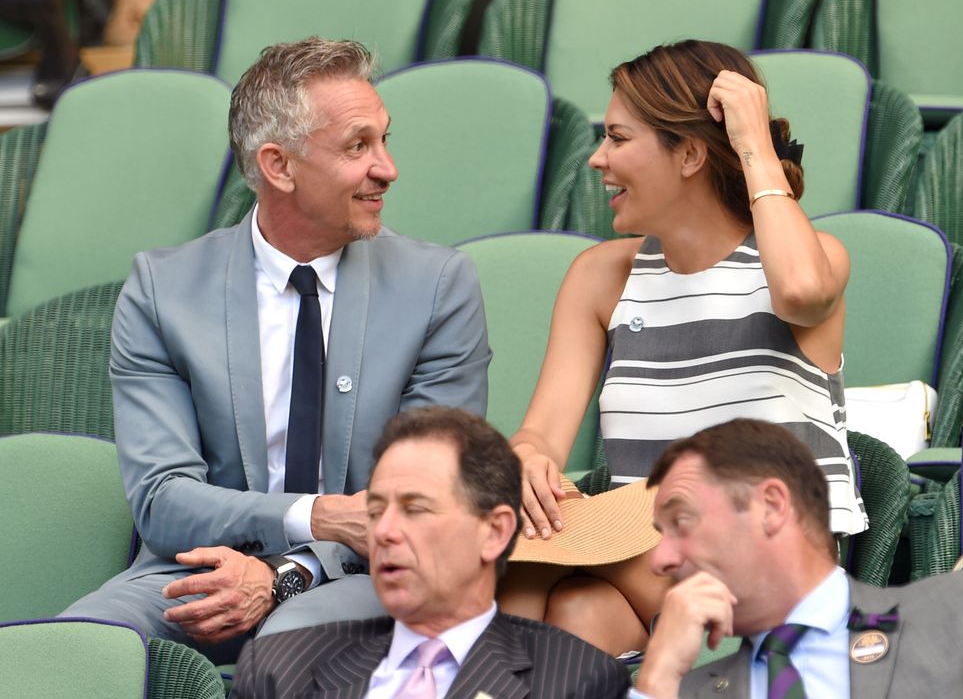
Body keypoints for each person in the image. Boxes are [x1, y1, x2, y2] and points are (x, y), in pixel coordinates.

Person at [60, 37, 490, 663]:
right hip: (192, 571)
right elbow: (163, 501)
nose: (387, 168)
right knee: (77, 648)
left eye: (384, 140)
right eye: (357, 146)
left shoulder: (438, 287)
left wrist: (289, 572)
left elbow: (425, 504)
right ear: (279, 166)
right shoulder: (164, 290)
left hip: (365, 575)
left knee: (288, 645)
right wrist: (313, 516)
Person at [498, 39, 867, 657]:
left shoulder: (809, 260)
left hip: (777, 573)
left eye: (618, 138)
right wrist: (529, 461)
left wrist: (753, 145)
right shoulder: (600, 277)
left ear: (691, 152)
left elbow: (802, 291)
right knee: (573, 607)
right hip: (647, 561)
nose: (596, 159)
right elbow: (540, 435)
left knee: (530, 559)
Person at [233, 406, 631, 698]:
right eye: (375, 512)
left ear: (494, 533)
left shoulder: (581, 679)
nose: (384, 531)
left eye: (414, 509)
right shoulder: (277, 668)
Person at [631, 418, 963, 698]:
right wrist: (657, 679)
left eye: (681, 522)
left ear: (770, 507)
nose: (659, 560)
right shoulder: (679, 690)